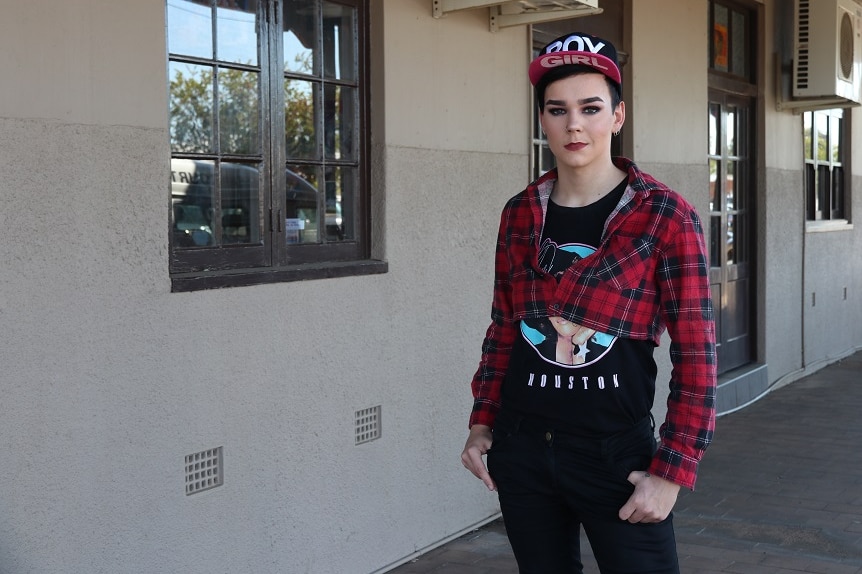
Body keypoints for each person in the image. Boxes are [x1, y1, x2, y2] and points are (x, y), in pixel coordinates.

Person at [460, 32, 717, 574]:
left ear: (617, 116)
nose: (574, 124)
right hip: (523, 448)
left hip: (615, 456)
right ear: (543, 120)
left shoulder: (664, 215)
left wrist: (673, 471)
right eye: (558, 110)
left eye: (590, 108)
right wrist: (484, 420)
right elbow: (505, 325)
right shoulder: (521, 213)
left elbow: (697, 353)